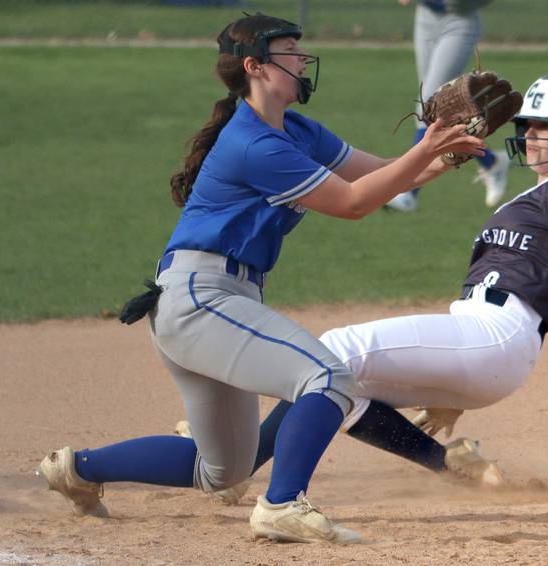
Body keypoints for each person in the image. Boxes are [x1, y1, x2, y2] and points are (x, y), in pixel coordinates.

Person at [36, 13, 485, 544]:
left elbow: (376, 172)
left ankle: (77, 468)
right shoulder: (254, 143)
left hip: (204, 303)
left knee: (222, 469)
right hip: (203, 298)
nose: (300, 60)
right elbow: (353, 203)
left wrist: (444, 154)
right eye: (290, 51)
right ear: (255, 67)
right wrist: (424, 151)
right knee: (328, 377)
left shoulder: (295, 131)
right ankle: (281, 505)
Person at [181, 73, 548, 504]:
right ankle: (449, 464)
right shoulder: (545, 193)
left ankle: (253, 479)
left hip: (496, 337)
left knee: (334, 352)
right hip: (483, 342)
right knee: (341, 383)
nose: (531, 135)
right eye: (527, 125)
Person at [387, 0, 511, 212]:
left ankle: (409, 191)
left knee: (428, 103)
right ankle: (491, 163)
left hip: (459, 21)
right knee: (440, 110)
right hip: (425, 17)